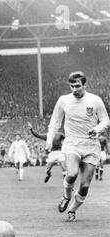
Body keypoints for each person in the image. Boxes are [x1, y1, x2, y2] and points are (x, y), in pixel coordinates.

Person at [46, 71, 110, 222]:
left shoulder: (95, 100)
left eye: (77, 86)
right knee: (72, 174)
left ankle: (72, 210)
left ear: (84, 85)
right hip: (72, 144)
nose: (74, 89)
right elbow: (55, 121)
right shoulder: (63, 100)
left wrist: (97, 129)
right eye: (72, 86)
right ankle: (67, 196)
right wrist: (49, 140)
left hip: (91, 145)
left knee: (85, 185)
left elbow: (106, 121)